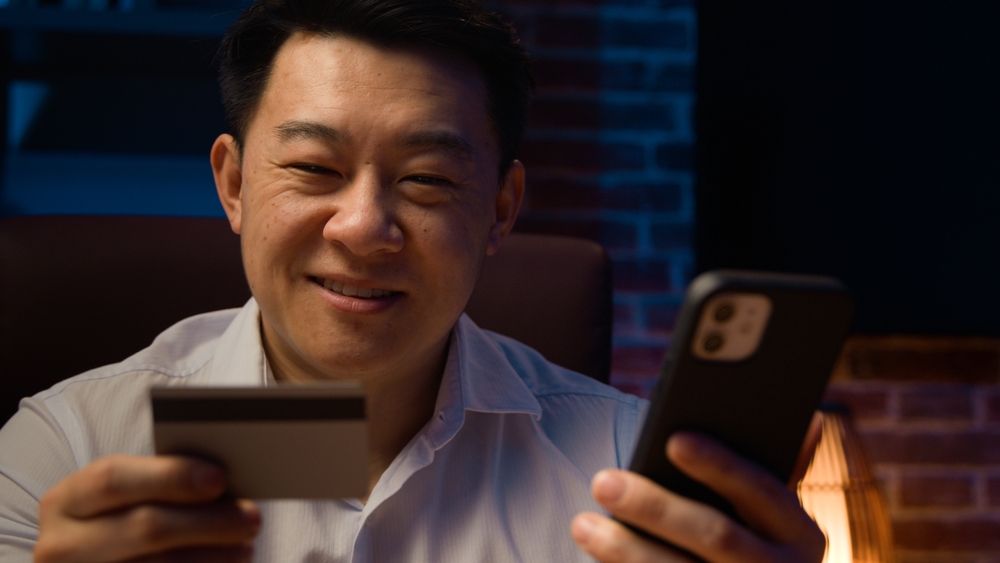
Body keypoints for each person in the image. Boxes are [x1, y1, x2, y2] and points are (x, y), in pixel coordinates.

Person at [0, 1, 826, 561]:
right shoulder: (64, 450)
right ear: (235, 185)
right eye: (314, 167)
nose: (363, 226)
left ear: (501, 209)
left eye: (427, 179)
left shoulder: (626, 469)